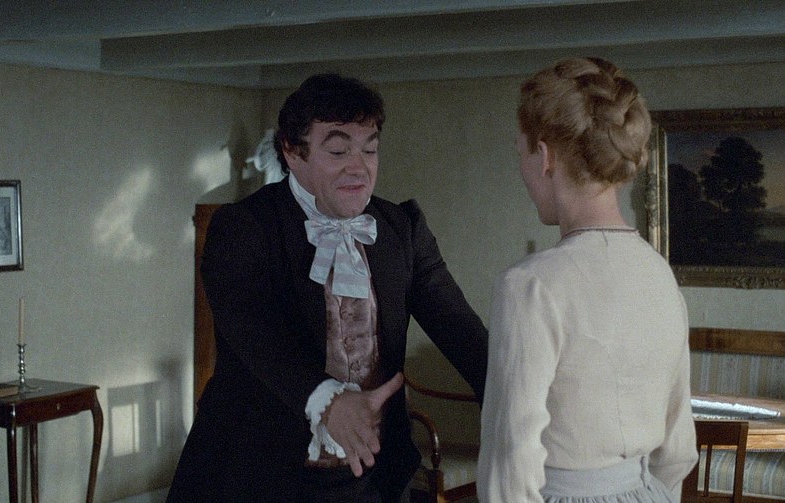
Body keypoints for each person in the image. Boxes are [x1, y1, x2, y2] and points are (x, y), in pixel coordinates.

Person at [167, 73, 488, 503]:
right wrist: (327, 400)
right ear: (291, 151)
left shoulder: (402, 228)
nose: (359, 166)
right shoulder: (243, 227)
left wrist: (517, 395)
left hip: (372, 480)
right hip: (256, 477)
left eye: (370, 149)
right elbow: (255, 334)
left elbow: (459, 328)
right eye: (338, 151)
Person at [477, 57, 698, 502]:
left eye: (521, 152)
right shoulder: (658, 273)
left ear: (544, 156)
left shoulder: (530, 286)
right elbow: (677, 448)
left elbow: (511, 461)